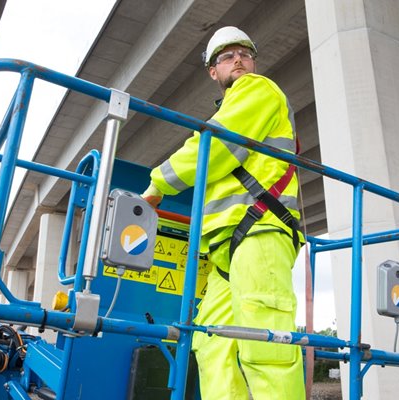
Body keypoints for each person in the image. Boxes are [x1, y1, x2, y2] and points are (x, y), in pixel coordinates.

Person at [142, 26, 305, 400]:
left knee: (267, 346)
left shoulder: (258, 89)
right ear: (213, 72)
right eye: (227, 56)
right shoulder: (234, 106)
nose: (238, 60)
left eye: (245, 54)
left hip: (261, 232)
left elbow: (215, 146)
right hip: (227, 251)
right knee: (210, 342)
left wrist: (157, 184)